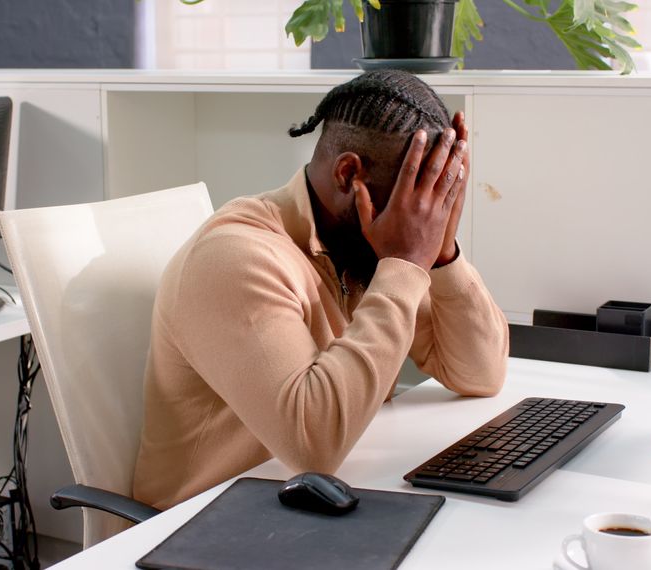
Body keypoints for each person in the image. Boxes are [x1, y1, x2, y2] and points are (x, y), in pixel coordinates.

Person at [133, 70, 509, 510]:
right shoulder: (236, 258)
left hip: (301, 509)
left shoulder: (365, 245)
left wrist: (442, 253)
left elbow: (479, 375)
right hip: (196, 529)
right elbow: (312, 447)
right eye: (411, 203)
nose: (419, 221)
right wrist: (406, 263)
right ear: (349, 174)